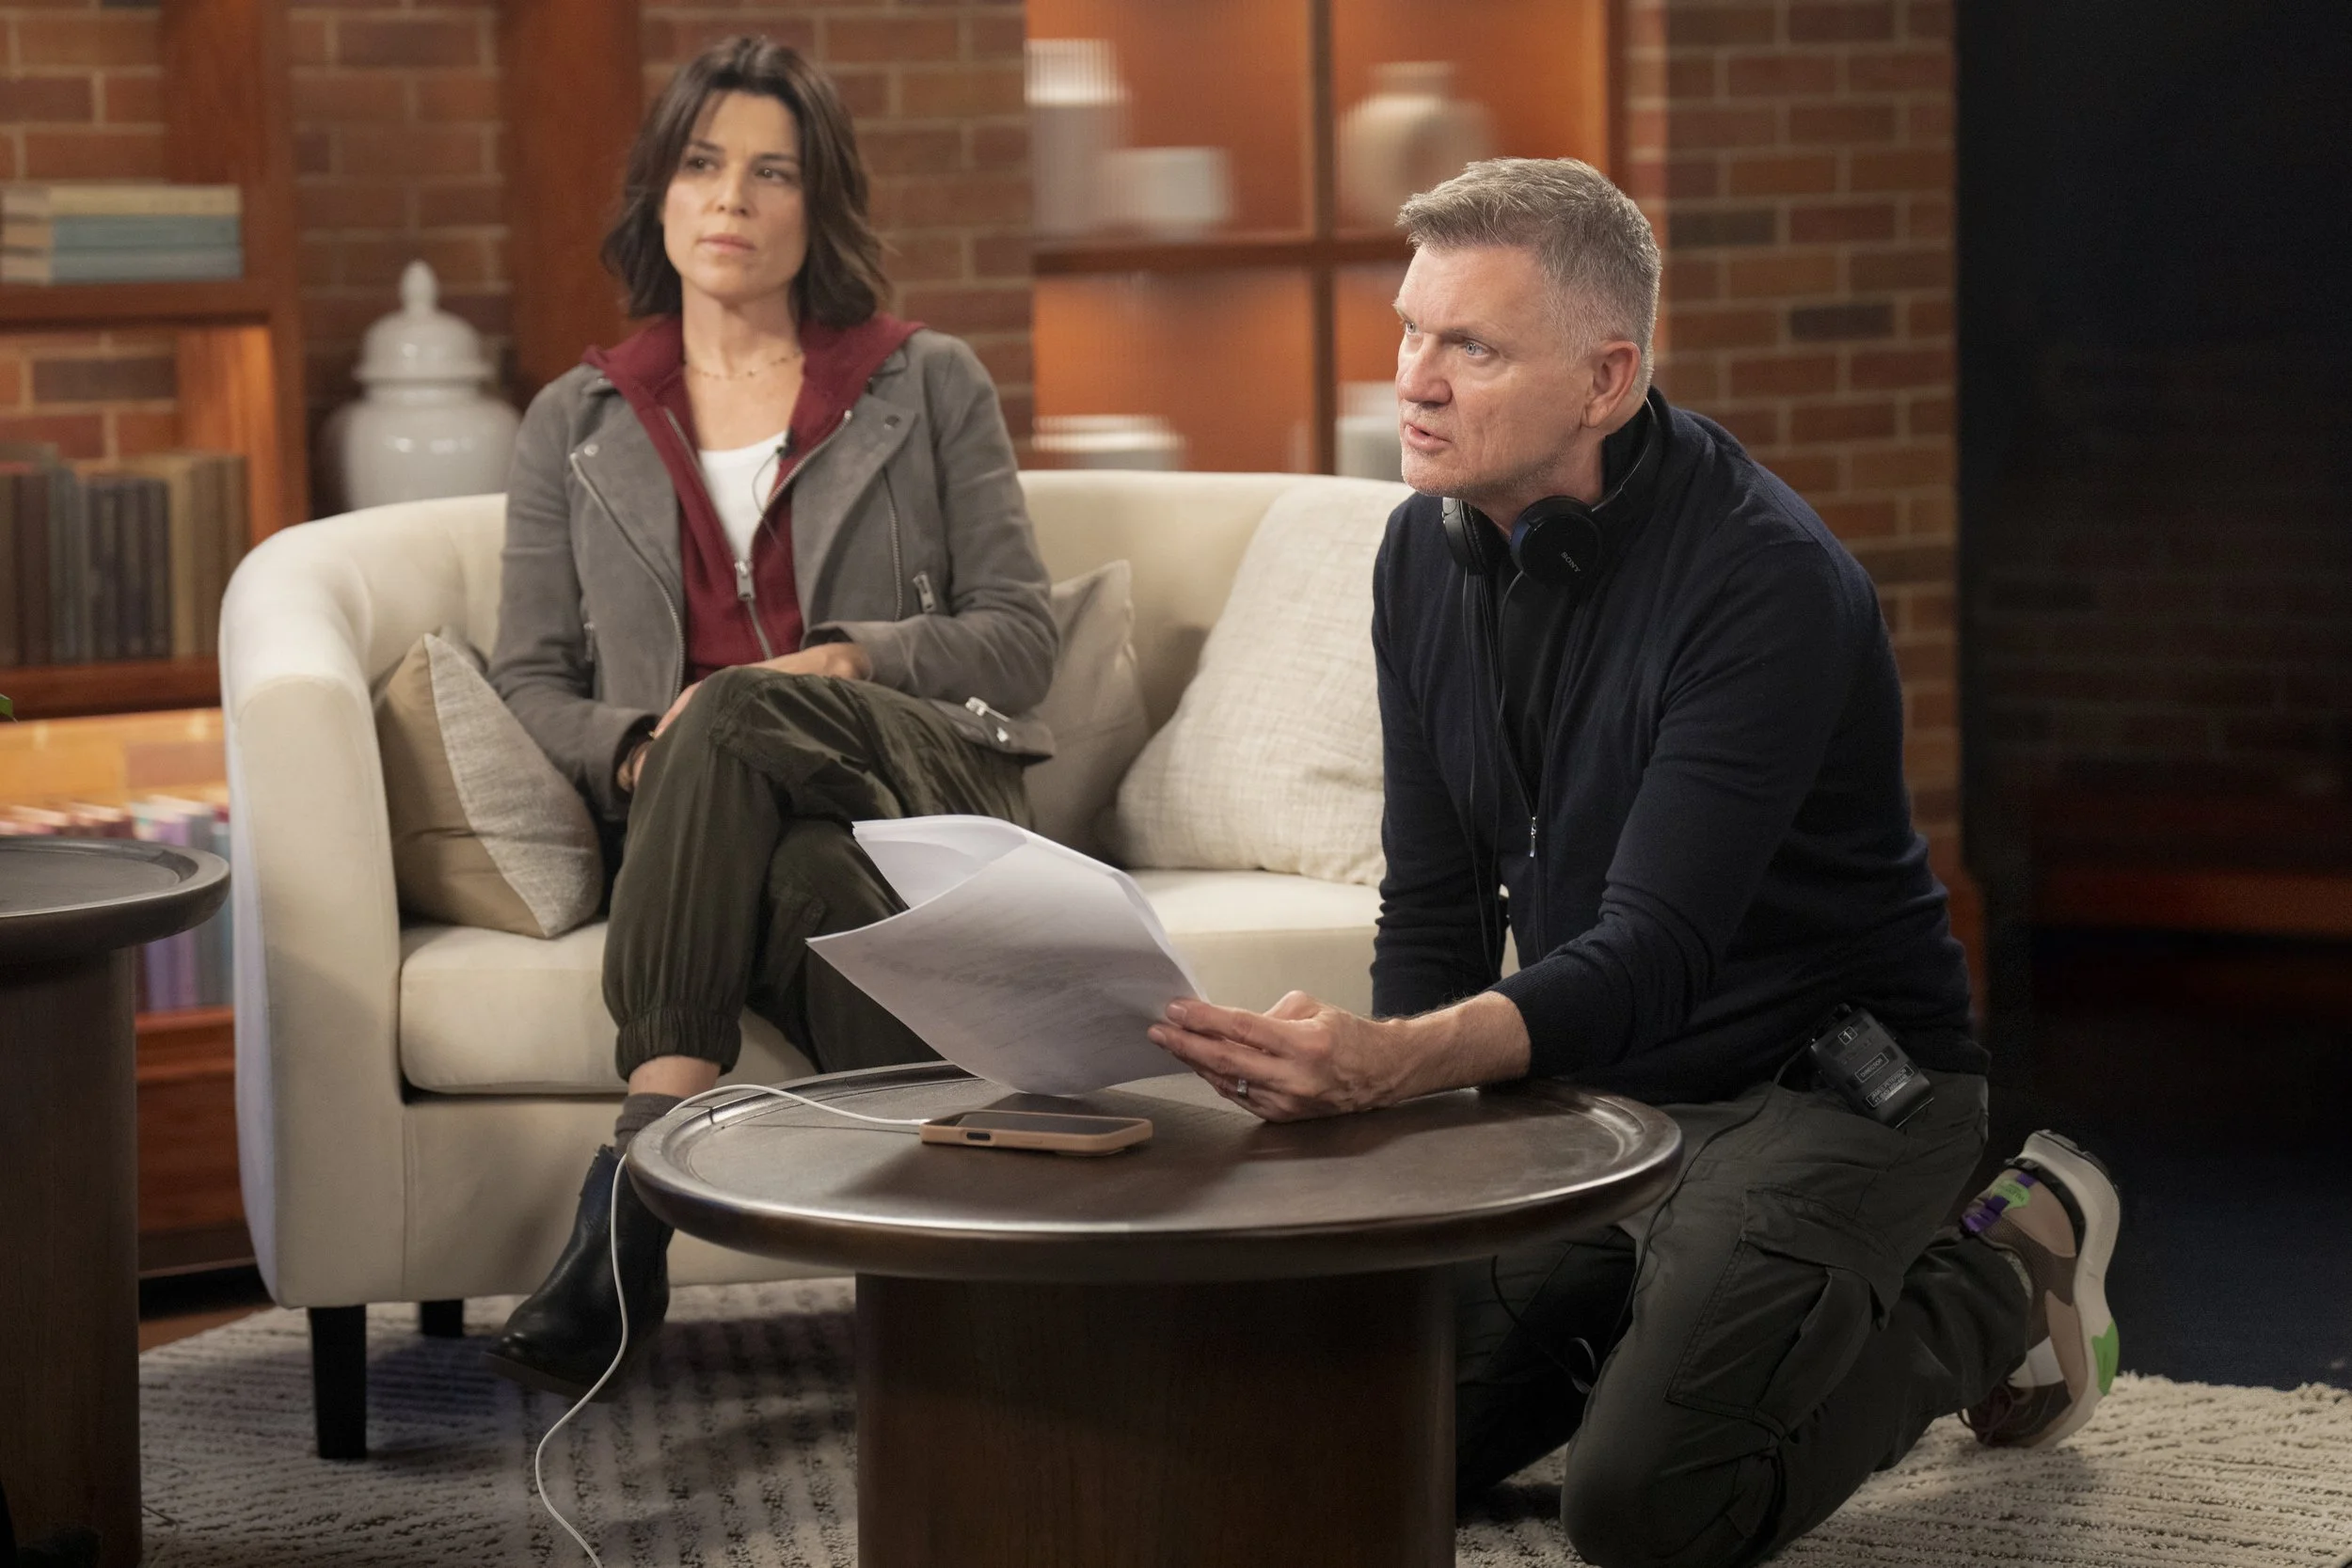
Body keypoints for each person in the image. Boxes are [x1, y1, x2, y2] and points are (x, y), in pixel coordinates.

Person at [1148, 158, 2121, 1568]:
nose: (1413, 379)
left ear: (1606, 379)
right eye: (1409, 329)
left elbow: (1654, 953)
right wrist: (1400, 1171)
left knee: (1646, 1507)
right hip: (1603, 1090)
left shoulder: (1763, 579)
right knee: (1351, 1447)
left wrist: (1388, 1062)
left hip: (1825, 1089)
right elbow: (1433, 904)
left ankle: (1993, 1281)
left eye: (1472, 347)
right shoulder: (1418, 554)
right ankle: (1671, 1312)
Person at [479, 37, 1057, 1400]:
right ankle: (992, 1302)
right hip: (715, 831)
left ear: (818, 204)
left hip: (915, 782)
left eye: (772, 172)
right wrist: (636, 750)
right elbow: (530, 680)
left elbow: (1023, 636)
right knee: (797, 873)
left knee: (740, 710)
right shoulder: (575, 420)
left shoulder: (925, 381)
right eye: (701, 164)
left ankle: (632, 1198)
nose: (731, 198)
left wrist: (848, 660)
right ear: (660, 194)